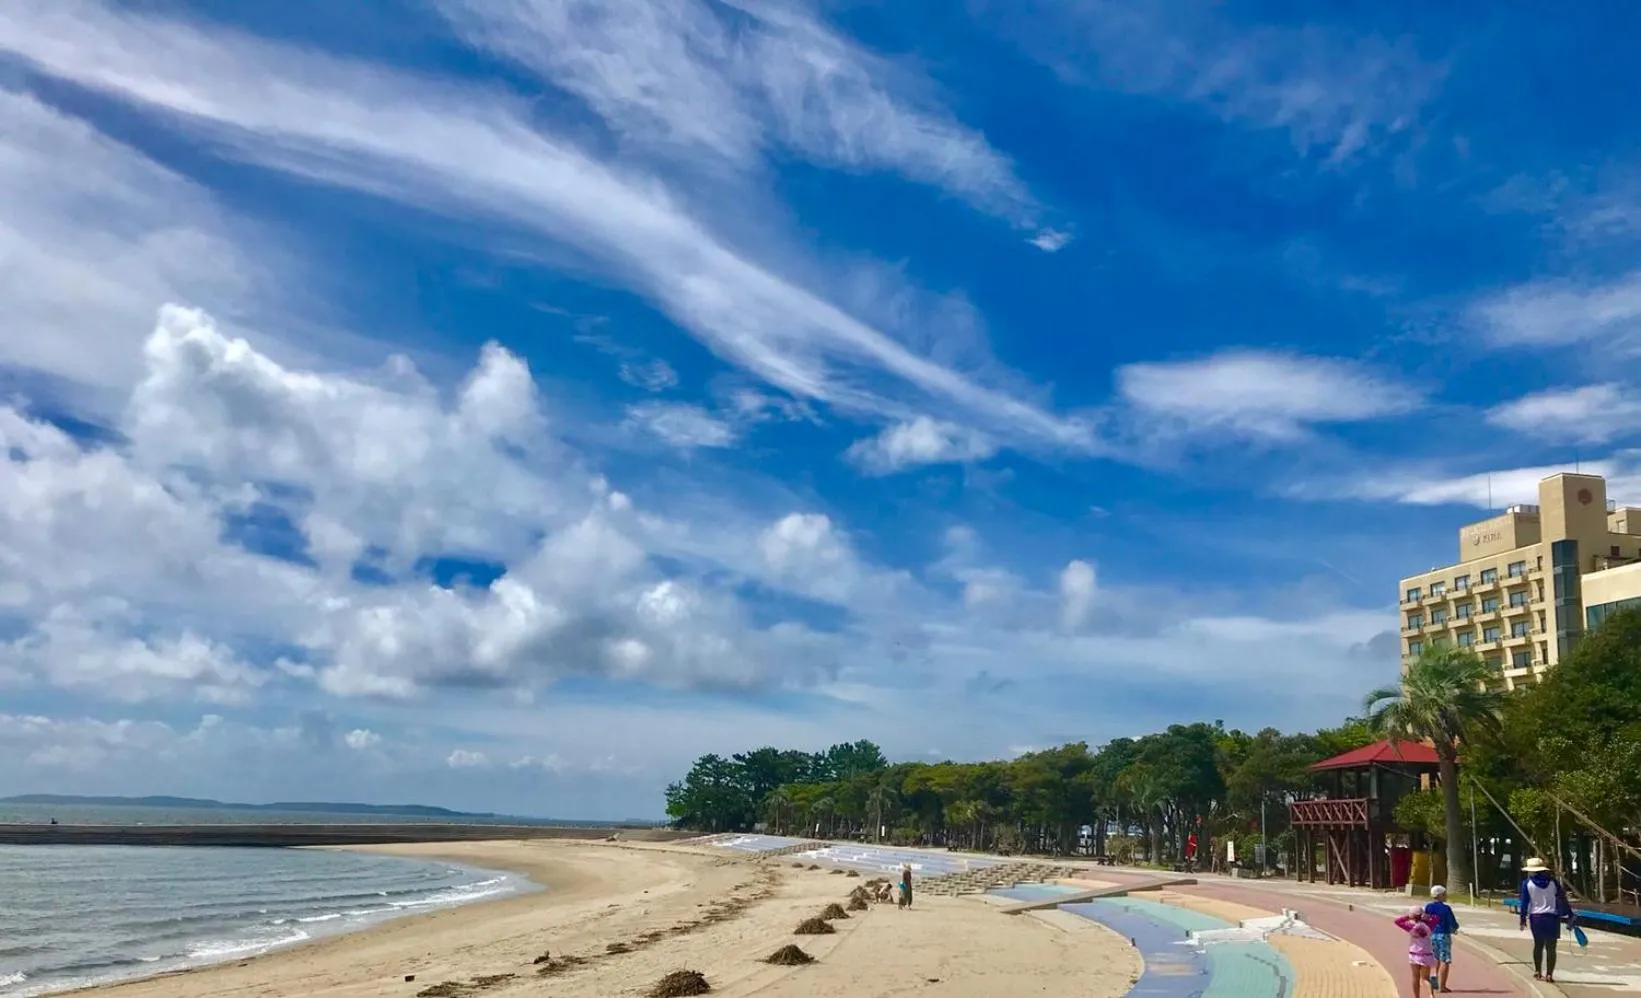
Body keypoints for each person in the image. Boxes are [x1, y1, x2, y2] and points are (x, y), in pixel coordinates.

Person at [1518, 857, 1574, 983]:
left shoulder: (1527, 884)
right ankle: (1549, 974)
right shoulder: (1553, 882)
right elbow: (1563, 898)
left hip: (1536, 918)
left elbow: (1524, 903)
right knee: (1551, 947)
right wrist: (1570, 914)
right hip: (1552, 918)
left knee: (1538, 945)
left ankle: (1538, 971)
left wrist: (1522, 919)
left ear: (1532, 871)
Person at [1396, 907, 1438, 997]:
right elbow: (1436, 918)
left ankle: (1416, 996)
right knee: (1425, 978)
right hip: (1427, 954)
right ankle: (1431, 995)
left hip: (1414, 954)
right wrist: (1428, 916)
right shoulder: (1429, 925)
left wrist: (1408, 917)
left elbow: (1397, 921)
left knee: (1415, 977)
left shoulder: (1410, 926)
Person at [1425, 885, 1460, 993]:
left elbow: (1426, 920)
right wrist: (1454, 928)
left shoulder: (1428, 907)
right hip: (1443, 935)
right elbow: (1453, 923)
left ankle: (1434, 984)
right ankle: (1442, 986)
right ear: (1440, 895)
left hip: (1432, 934)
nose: (1446, 896)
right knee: (1445, 960)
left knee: (1436, 959)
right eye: (1444, 894)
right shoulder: (1446, 908)